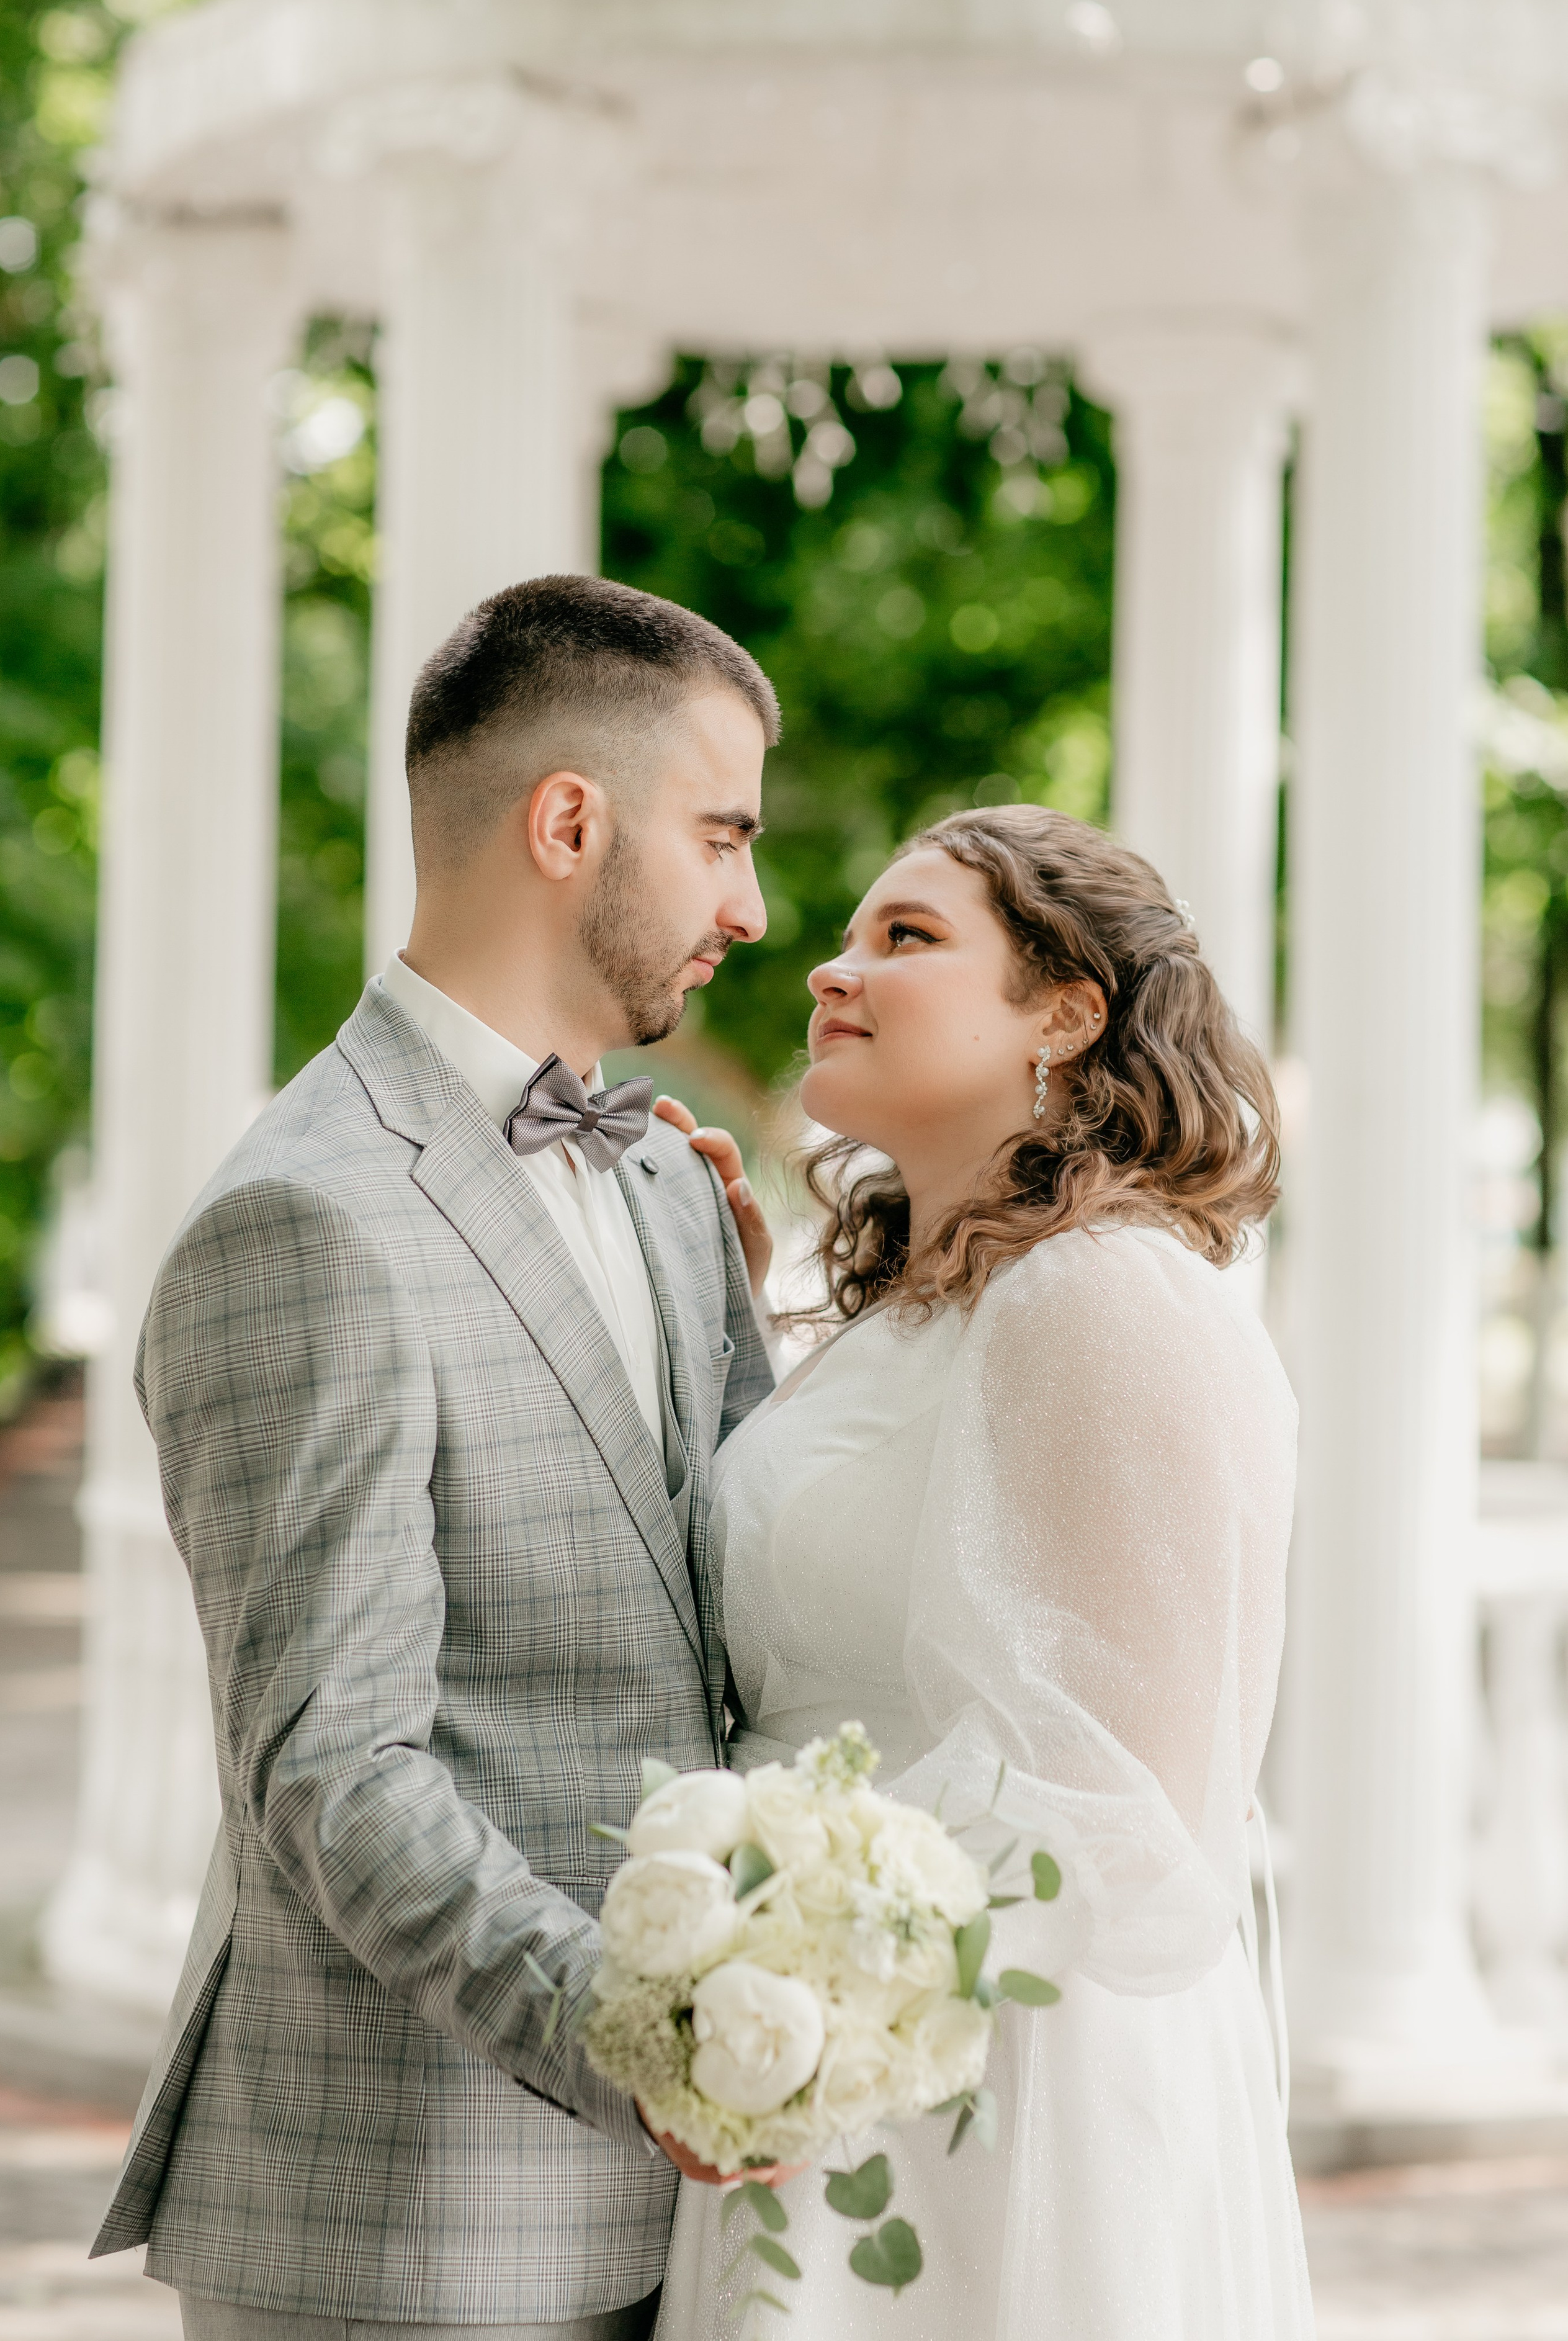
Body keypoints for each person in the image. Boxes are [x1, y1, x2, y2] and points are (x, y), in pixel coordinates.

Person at [91, 575, 781, 2340]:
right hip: (405, 2228)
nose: (754, 908)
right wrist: (642, 2042)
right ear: (571, 823)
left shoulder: (667, 1186)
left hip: (681, 2231)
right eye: (720, 840)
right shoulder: (302, 1220)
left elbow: (717, 1623)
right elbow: (337, 1763)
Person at [655, 805, 1314, 2340]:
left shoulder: (1104, 1296)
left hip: (983, 2083)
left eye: (905, 938)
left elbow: (1122, 1812)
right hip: (826, 2049)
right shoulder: (918, 1308)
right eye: (849, 934)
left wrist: (792, 2001)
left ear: (1065, 1013)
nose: (827, 969)